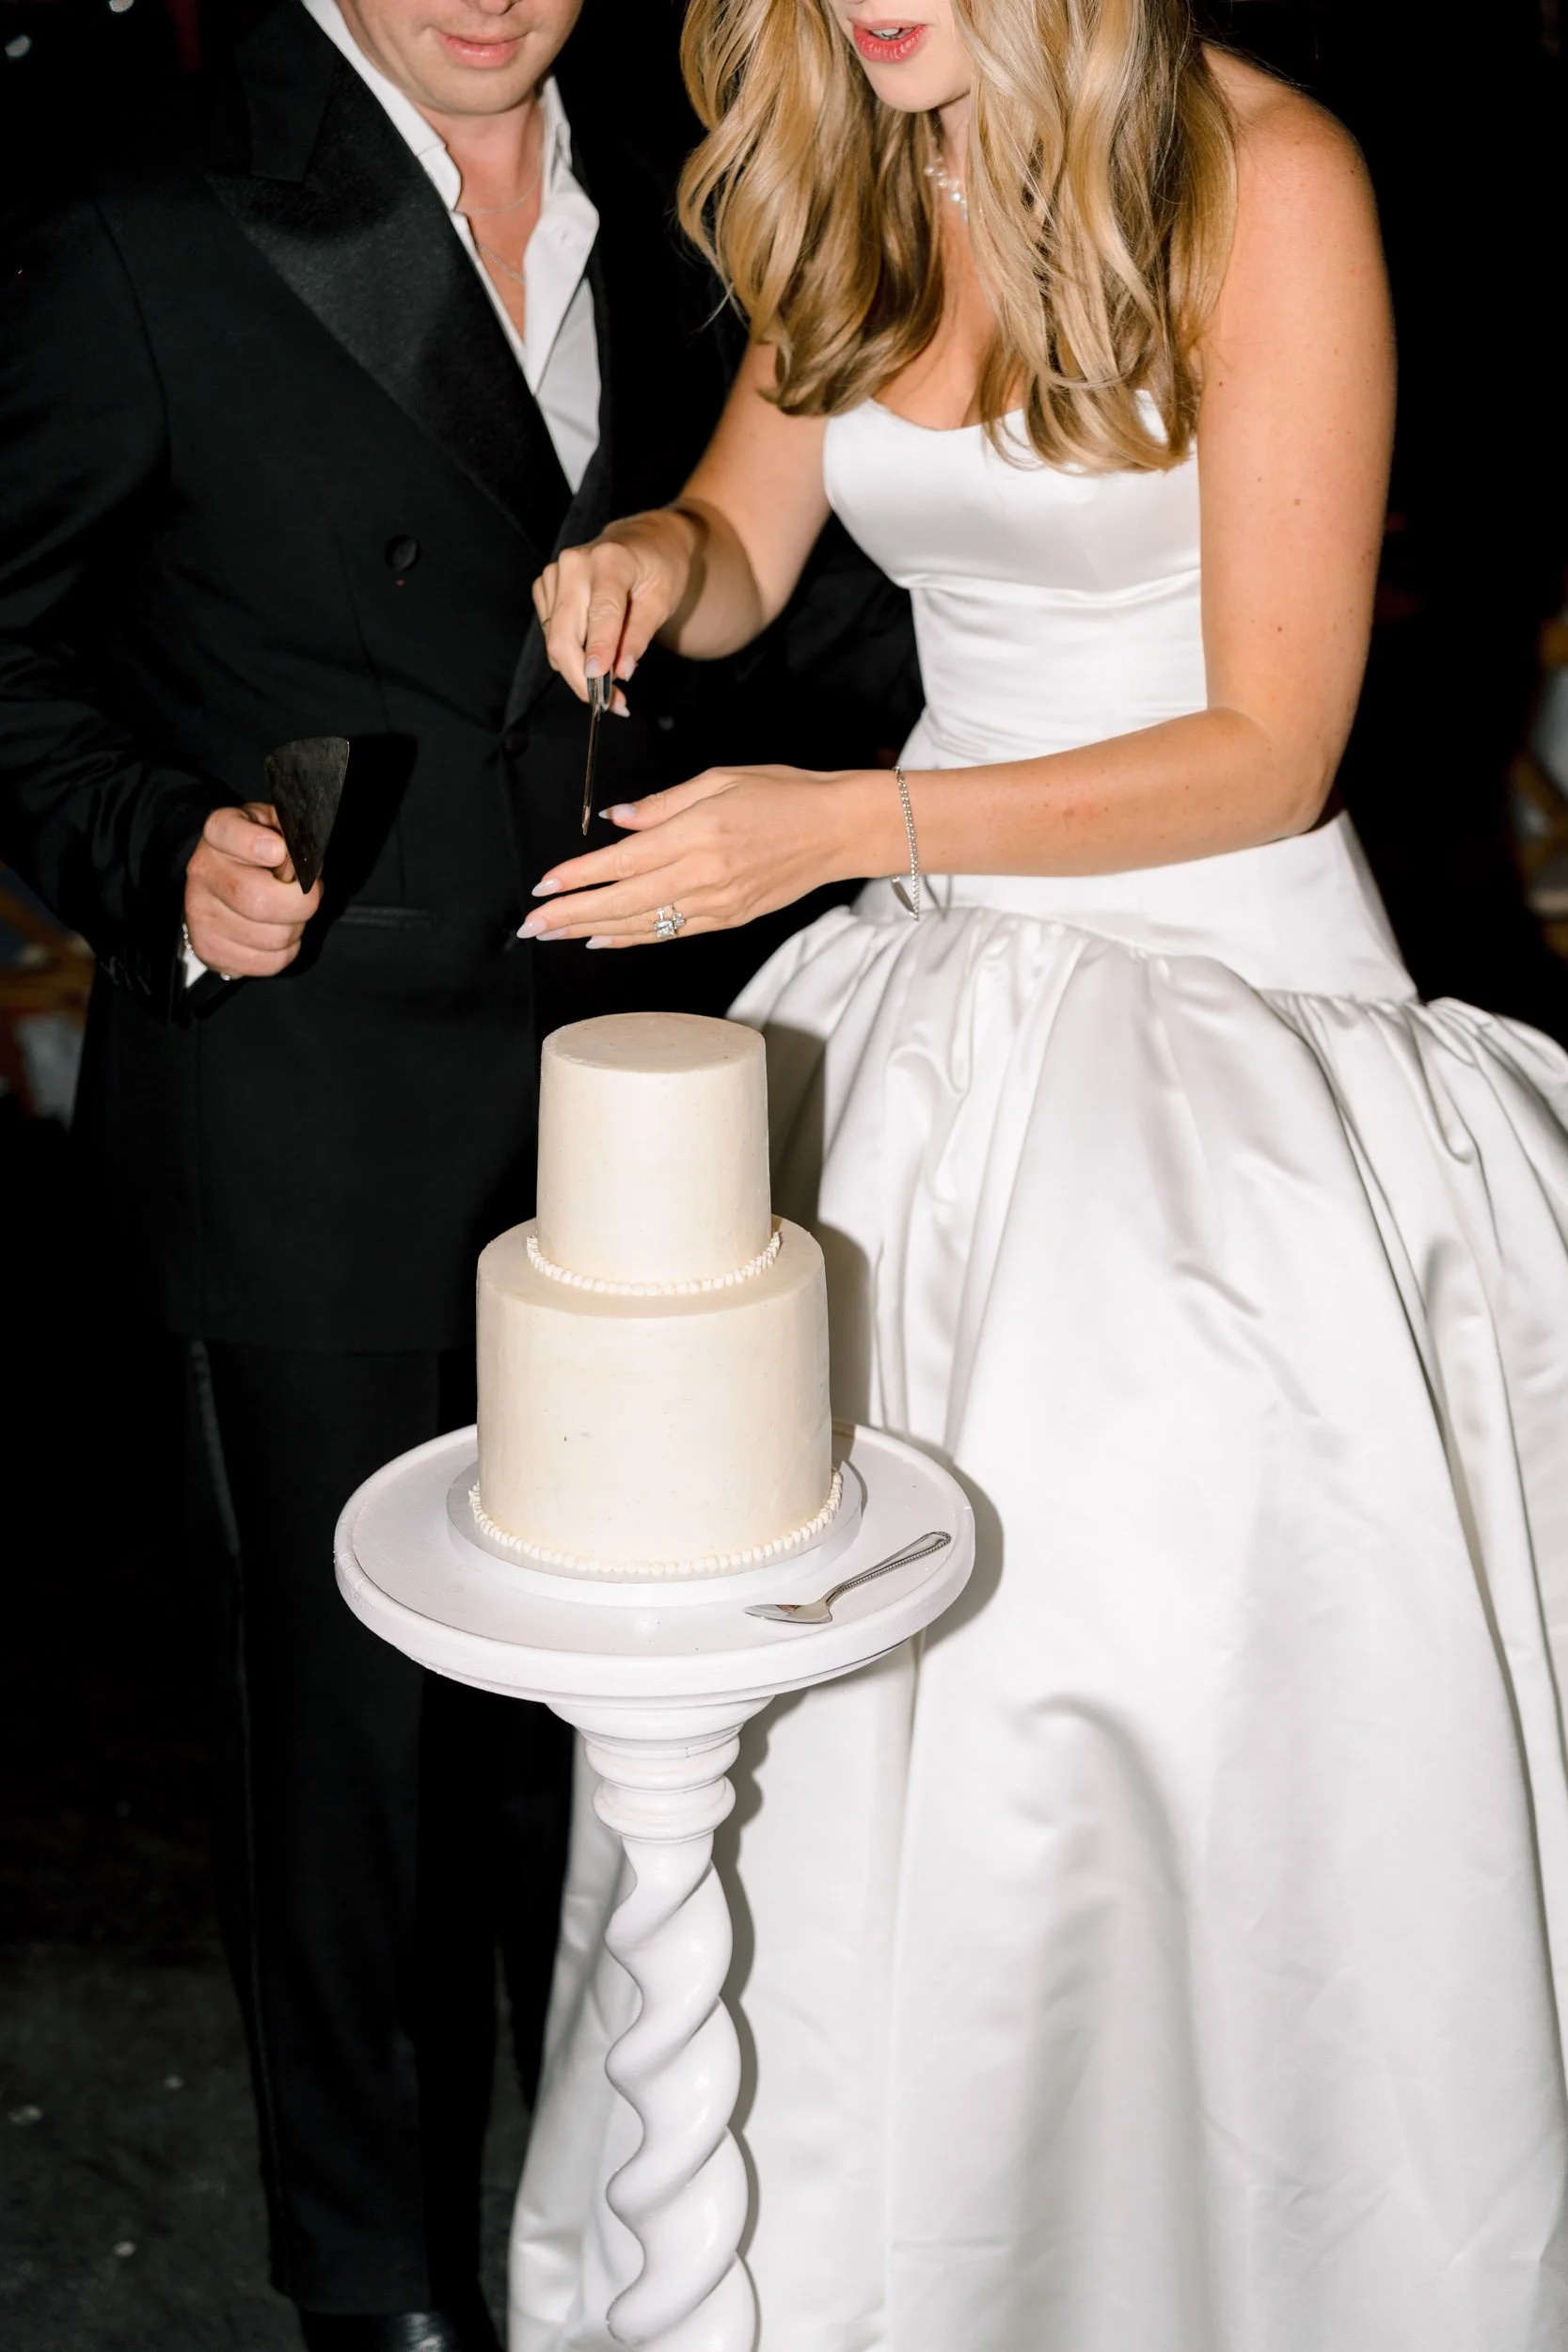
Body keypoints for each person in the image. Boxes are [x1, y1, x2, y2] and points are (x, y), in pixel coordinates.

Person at [511, 2, 1568, 2344]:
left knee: (1160, 1720)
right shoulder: (870, 149)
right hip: (929, 1020)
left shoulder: (1271, 177)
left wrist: (850, 820)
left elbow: (1270, 747)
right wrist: (646, 565)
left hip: (1219, 1025)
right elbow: (748, 534)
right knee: (804, 1714)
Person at [0, 1, 912, 2344]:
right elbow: (9, 662)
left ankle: (618, 2215)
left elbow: (798, 593)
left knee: (624, 1719)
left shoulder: (703, 195)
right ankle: (374, 2286)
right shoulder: (154, 227)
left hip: (637, 1073)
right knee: (350, 1762)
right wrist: (152, 856)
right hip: (308, 1089)